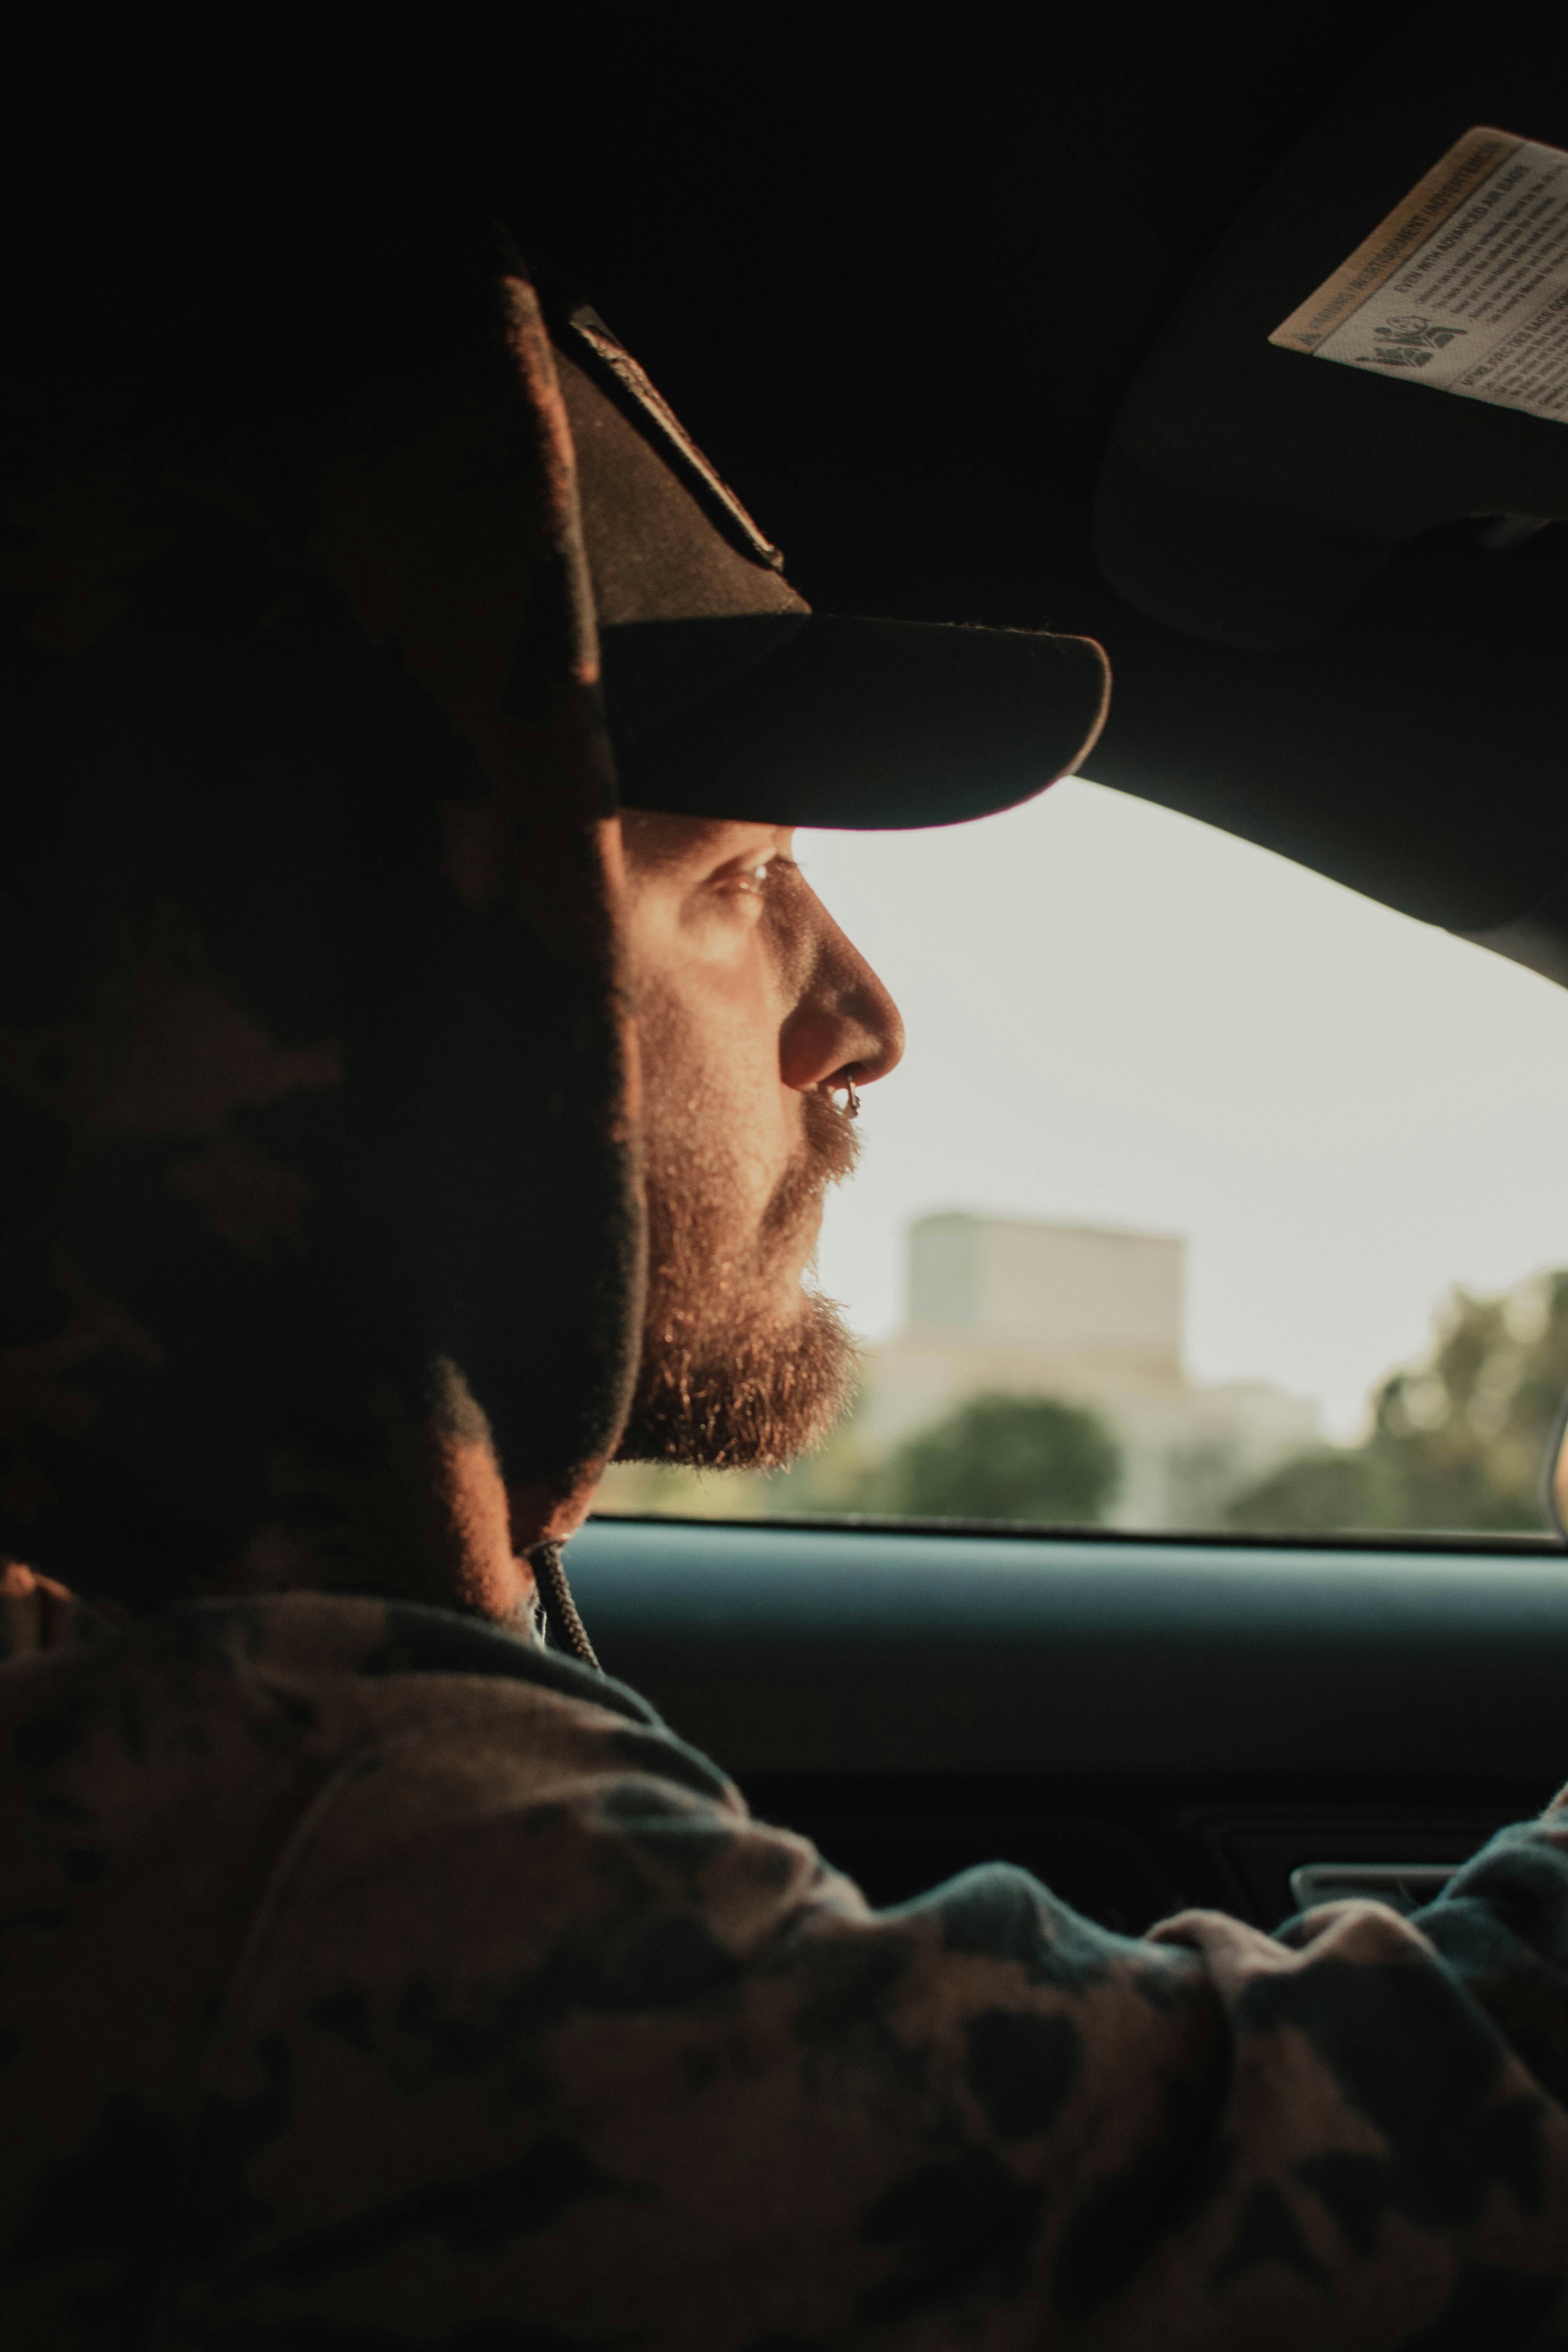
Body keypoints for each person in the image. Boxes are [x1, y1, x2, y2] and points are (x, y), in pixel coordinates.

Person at [2, 211, 1568, 2352]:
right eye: (736, 878)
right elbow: (1437, 2182)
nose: (866, 1015)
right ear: (380, 976)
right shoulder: (278, 1845)